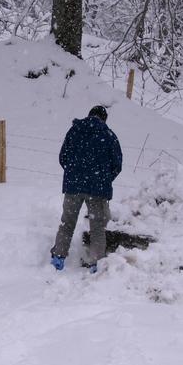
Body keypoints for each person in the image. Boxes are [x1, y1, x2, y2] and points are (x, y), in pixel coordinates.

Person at [50, 105, 122, 273]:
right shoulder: (109, 135)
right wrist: (103, 179)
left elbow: (63, 157)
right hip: (98, 190)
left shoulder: (74, 131)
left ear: (89, 115)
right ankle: (96, 264)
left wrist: (74, 173)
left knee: (67, 223)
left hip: (73, 187)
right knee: (97, 228)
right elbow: (117, 164)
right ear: (104, 119)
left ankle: (58, 258)